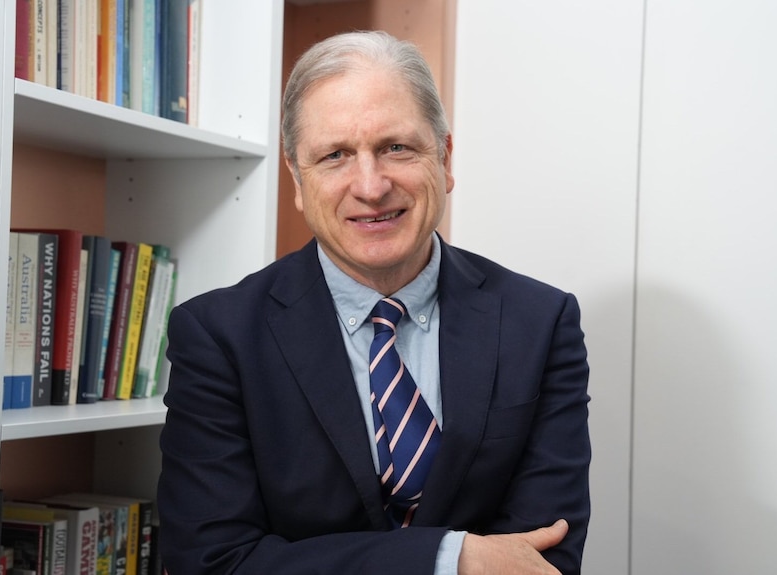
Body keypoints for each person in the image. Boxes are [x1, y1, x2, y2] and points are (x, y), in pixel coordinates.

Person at [157, 30, 591, 575]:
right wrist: (452, 558)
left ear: (445, 157)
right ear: (297, 176)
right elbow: (211, 561)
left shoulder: (541, 322)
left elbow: (544, 558)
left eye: (396, 147)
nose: (371, 185)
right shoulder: (218, 336)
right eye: (335, 155)